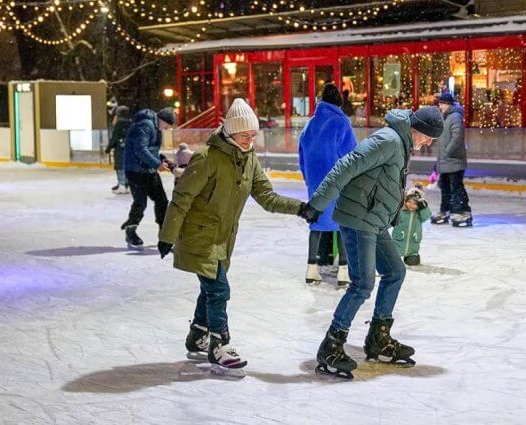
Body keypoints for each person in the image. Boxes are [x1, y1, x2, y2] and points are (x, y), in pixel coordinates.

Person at [158, 98, 306, 375]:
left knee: (211, 288)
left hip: (224, 238)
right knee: (219, 289)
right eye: (244, 135)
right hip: (198, 235)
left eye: (252, 135)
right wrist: (168, 236)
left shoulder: (249, 160)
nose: (249, 140)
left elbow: (267, 197)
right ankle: (219, 346)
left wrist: (300, 208)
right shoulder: (206, 158)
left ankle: (197, 334)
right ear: (229, 132)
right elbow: (181, 198)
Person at [298, 106, 444, 379]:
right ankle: (331, 346)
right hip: (357, 218)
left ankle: (378, 338)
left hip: (373, 220)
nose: (428, 143)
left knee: (395, 272)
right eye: (427, 137)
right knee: (363, 284)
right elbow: (346, 166)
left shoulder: (400, 144)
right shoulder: (388, 140)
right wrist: (316, 204)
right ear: (416, 128)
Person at [299, 82, 356, 287]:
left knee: (317, 223)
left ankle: (311, 268)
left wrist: (309, 181)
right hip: (337, 181)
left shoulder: (310, 124)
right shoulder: (342, 123)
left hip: (316, 183)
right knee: (341, 223)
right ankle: (343, 270)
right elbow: (352, 156)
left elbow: (302, 158)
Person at [121, 107, 177, 248]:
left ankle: (164, 235)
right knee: (140, 202)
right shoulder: (145, 125)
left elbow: (152, 150)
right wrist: (157, 164)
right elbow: (140, 150)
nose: (166, 129)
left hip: (148, 170)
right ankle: (130, 231)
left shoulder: (155, 126)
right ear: (161, 120)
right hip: (135, 170)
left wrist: (163, 161)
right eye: (166, 126)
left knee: (162, 201)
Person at [431, 93, 472, 227]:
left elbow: (457, 138)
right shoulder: (444, 117)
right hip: (445, 159)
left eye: (442, 104)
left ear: (449, 104)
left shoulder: (455, 117)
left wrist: (447, 152)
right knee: (444, 186)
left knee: (456, 186)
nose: (440, 106)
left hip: (454, 159)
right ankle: (446, 210)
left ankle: (462, 211)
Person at [392, 185, 431, 266]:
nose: (411, 205)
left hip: (413, 242)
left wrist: (424, 208)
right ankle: (394, 256)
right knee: (394, 261)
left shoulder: (419, 214)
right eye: (409, 202)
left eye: (415, 203)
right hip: (399, 240)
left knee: (413, 262)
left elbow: (426, 217)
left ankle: (411, 256)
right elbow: (392, 220)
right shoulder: (401, 211)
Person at [106, 106, 132, 194]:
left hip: (120, 149)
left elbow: (115, 138)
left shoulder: (119, 124)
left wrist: (108, 148)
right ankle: (127, 185)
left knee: (120, 167)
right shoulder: (131, 123)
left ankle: (122, 185)